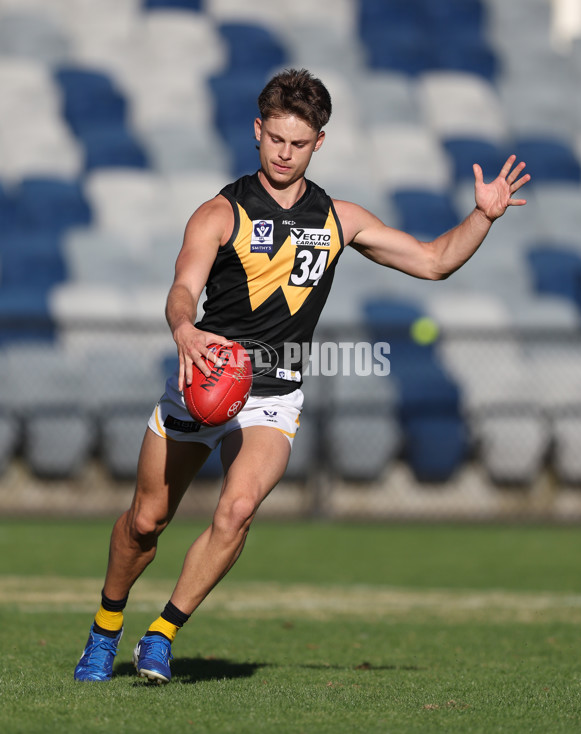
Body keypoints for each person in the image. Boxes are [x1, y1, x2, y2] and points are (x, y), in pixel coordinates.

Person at [74, 68, 530, 683]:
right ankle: (105, 629)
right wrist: (184, 329)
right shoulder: (219, 212)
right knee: (146, 521)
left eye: (299, 142)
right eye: (275, 140)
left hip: (273, 392)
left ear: (320, 142)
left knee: (237, 510)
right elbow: (182, 289)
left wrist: (483, 217)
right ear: (258, 131)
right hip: (205, 377)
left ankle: (161, 634)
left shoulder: (339, 218)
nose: (284, 154)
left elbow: (433, 261)